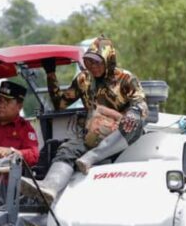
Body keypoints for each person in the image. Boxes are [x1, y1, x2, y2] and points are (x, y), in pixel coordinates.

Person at [21, 36, 148, 204]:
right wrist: (50, 74)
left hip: (120, 135)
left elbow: (141, 103)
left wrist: (133, 113)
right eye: (89, 62)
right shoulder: (84, 79)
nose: (93, 67)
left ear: (109, 60)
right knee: (67, 148)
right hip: (93, 133)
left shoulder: (125, 78)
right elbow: (60, 103)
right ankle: (50, 187)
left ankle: (91, 157)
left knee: (135, 121)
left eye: (98, 62)